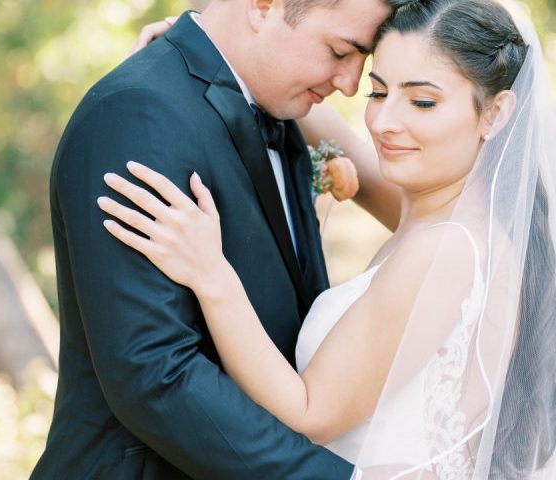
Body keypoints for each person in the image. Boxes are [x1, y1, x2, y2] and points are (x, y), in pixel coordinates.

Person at [99, 0, 556, 478]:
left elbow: (309, 414)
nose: (384, 123)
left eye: (422, 101)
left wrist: (211, 276)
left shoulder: (445, 251)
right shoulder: (452, 211)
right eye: (378, 93)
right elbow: (337, 139)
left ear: (496, 113)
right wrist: (204, 49)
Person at [31, 0, 405, 479]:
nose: (351, 84)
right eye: (338, 51)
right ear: (264, 5)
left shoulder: (281, 111)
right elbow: (156, 375)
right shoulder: (137, 114)